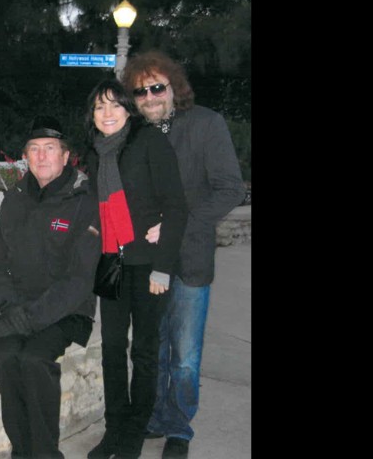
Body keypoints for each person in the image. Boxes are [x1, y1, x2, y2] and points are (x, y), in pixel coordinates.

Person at [122, 51, 245, 459]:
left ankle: (179, 426)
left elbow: (230, 189)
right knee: (150, 348)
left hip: (190, 260)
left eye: (157, 87)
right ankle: (154, 417)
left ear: (175, 87)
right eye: (141, 91)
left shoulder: (206, 124)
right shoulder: (133, 133)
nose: (150, 97)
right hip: (145, 262)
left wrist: (180, 224)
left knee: (186, 356)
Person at [0, 115, 102, 459]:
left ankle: (46, 454)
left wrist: (30, 319)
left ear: (66, 157)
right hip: (15, 307)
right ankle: (23, 452)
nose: (41, 156)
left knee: (34, 361)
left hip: (64, 312)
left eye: (50, 149)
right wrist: (8, 307)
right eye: (34, 149)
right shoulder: (15, 197)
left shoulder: (84, 202)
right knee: (6, 359)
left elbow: (80, 279)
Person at [83, 80, 188, 459]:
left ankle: (133, 434)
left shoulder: (148, 143)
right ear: (91, 115)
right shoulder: (94, 153)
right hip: (112, 263)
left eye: (114, 105)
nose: (106, 114)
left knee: (144, 353)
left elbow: (176, 207)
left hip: (148, 266)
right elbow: (97, 206)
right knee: (112, 349)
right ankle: (114, 430)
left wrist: (162, 269)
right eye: (99, 107)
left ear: (129, 109)